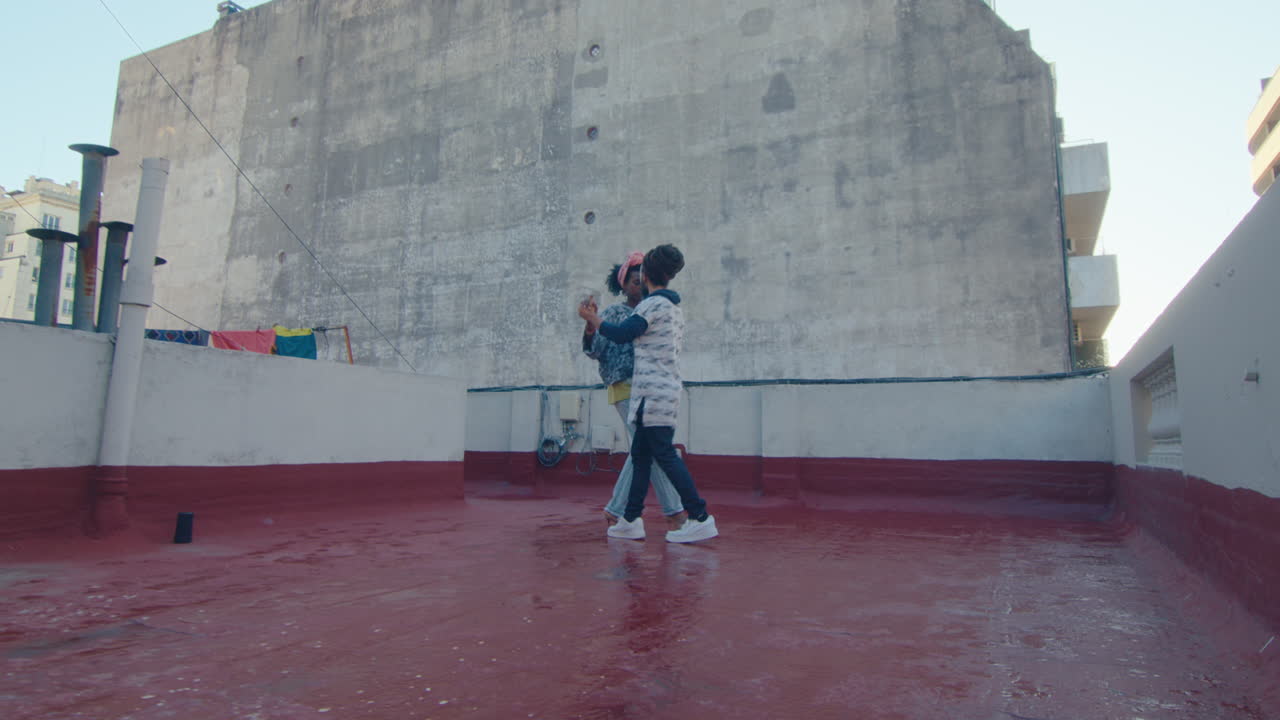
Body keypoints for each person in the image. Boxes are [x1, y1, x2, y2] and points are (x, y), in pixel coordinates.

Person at [579, 244, 718, 543]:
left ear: (647, 277)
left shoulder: (651, 307)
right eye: (631, 279)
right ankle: (629, 518)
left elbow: (622, 333)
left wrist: (593, 320)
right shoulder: (656, 308)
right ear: (624, 282)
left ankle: (688, 515)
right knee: (643, 454)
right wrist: (592, 327)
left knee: (656, 454)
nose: (636, 283)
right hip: (638, 389)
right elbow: (597, 348)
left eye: (639, 277)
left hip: (649, 392)